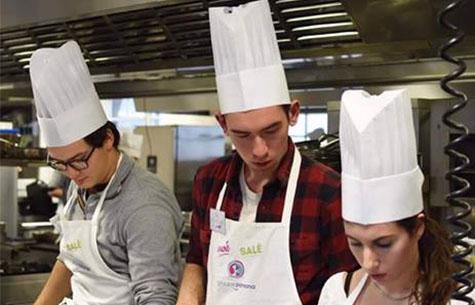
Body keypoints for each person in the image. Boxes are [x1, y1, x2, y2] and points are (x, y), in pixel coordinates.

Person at [176, 1, 356, 305]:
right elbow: (196, 261)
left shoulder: (328, 191)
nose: (259, 150)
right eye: (242, 135)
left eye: (271, 130)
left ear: (293, 113)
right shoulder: (209, 181)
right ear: (223, 123)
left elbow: (349, 288)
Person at [30, 40, 184, 305]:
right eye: (60, 164)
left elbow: (156, 296)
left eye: (78, 160)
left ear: (108, 139)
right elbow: (69, 260)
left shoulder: (145, 205)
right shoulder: (81, 182)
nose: (71, 174)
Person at [317, 90, 475, 305]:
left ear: (418, 228)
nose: (368, 262)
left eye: (383, 244)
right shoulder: (337, 292)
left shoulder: (460, 300)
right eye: (355, 243)